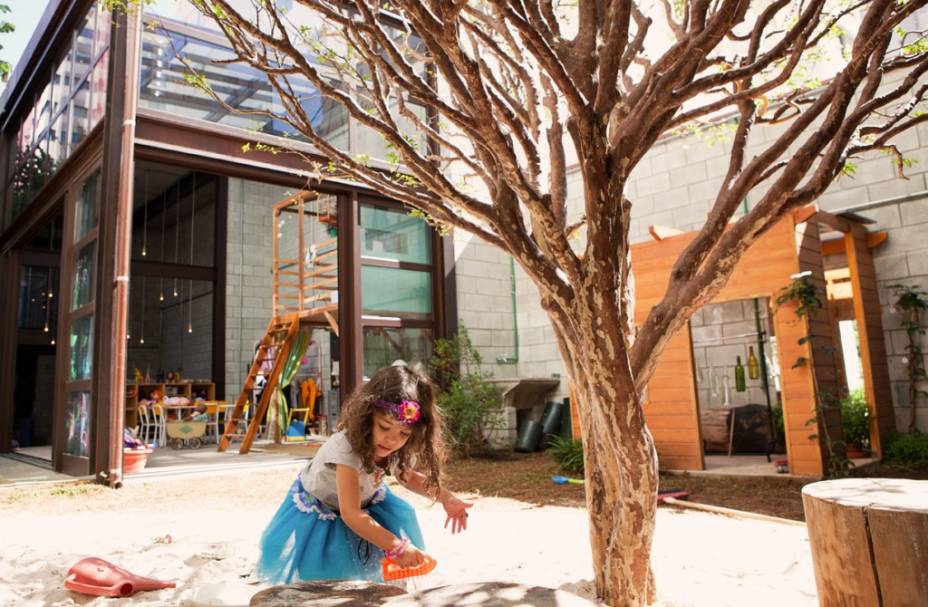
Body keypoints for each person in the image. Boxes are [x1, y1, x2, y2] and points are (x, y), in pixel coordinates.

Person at [256, 364, 472, 584]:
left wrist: (447, 498)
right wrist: (397, 546)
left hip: (363, 504)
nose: (392, 440)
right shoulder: (345, 448)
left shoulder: (393, 449)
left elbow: (409, 478)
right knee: (328, 574)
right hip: (322, 510)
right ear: (368, 416)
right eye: (384, 427)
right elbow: (351, 514)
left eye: (404, 433)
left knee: (370, 570)